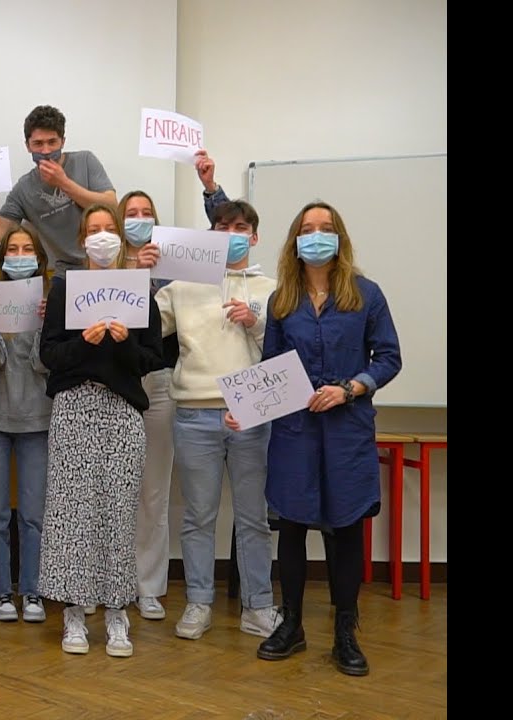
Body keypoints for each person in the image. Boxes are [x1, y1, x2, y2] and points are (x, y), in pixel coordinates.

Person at [236, 201, 401, 677]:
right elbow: (270, 369)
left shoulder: (367, 294)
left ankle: (345, 631)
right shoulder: (281, 300)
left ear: (339, 237)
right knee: (292, 525)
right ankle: (292, 626)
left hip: (346, 430)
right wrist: (246, 408)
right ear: (294, 240)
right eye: (307, 229)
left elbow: (388, 357)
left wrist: (351, 388)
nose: (316, 236)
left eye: (325, 228)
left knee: (346, 527)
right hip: (295, 431)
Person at [153, 194, 282, 642]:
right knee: (198, 517)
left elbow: (287, 356)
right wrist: (143, 268)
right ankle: (198, 603)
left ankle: (259, 607)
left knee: (253, 518)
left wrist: (257, 323)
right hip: (194, 412)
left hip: (252, 413)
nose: (231, 237)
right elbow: (146, 327)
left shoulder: (272, 290)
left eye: (240, 229)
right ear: (209, 237)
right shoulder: (182, 287)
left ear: (255, 236)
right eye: (222, 229)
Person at [38, 203, 164, 658]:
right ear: (82, 239)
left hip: (124, 410)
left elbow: (153, 358)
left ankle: (117, 611)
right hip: (75, 405)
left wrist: (126, 342)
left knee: (118, 509)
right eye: (94, 230)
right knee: (72, 510)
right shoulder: (65, 289)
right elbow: (49, 354)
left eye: (110, 229)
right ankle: (74, 611)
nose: (103, 237)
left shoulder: (139, 292)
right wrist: (82, 343)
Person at [0, 225, 51, 624]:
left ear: (39, 256)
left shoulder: (52, 301)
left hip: (39, 418)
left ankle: (33, 591)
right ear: (1, 257)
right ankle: (0, 590)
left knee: (35, 513)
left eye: (27, 249)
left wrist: (43, 325)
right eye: (12, 249)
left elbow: (45, 364)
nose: (20, 255)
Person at [0, 105, 116, 277]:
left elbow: (112, 206)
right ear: (28, 146)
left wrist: (64, 183)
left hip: (109, 262)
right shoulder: (24, 189)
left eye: (52, 142)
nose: (46, 151)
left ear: (63, 141)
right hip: (67, 272)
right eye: (38, 144)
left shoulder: (85, 161)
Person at [117, 190, 178, 622]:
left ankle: (149, 586)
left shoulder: (178, 265)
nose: (139, 220)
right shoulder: (107, 269)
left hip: (161, 383)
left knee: (154, 490)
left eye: (146, 214)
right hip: (116, 385)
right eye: (131, 214)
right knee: (115, 490)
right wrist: (134, 276)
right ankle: (112, 582)